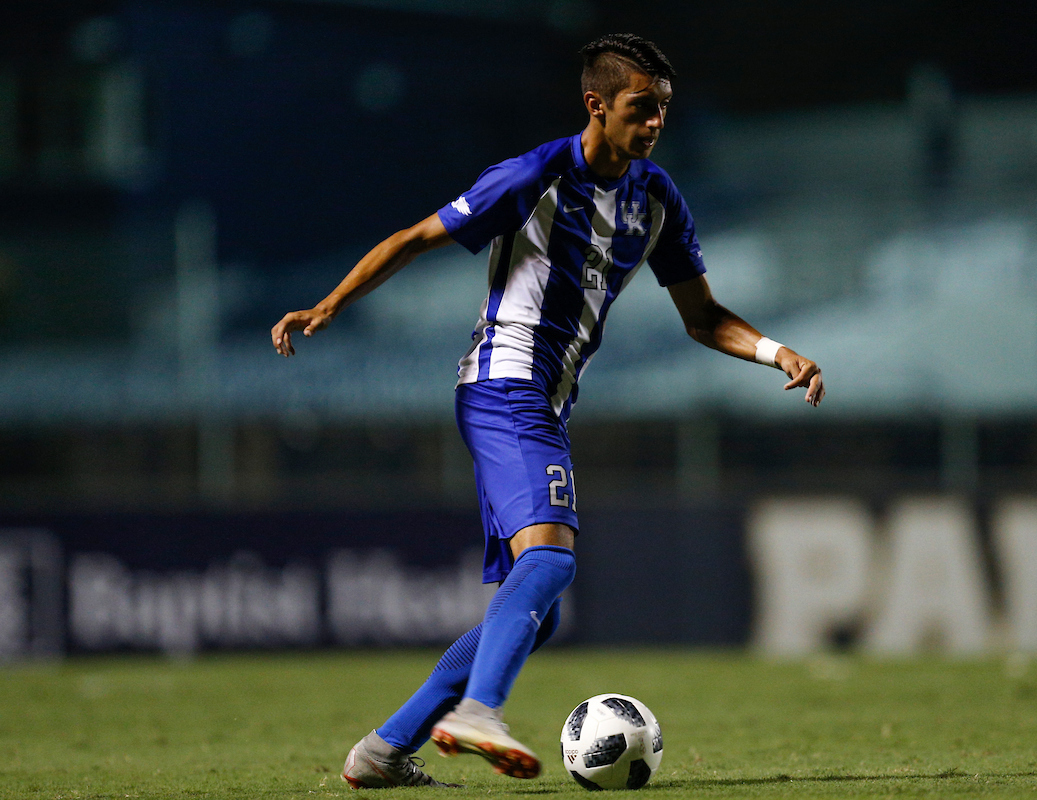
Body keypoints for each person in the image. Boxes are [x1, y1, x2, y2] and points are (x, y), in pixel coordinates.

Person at [271, 32, 825, 789]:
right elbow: (415, 237)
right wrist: (330, 304)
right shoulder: (532, 176)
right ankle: (478, 712)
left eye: (663, 108)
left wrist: (776, 352)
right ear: (596, 104)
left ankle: (384, 750)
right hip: (505, 385)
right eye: (641, 107)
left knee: (540, 610)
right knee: (552, 560)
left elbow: (702, 316)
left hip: (544, 403)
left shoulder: (656, 198)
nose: (655, 122)